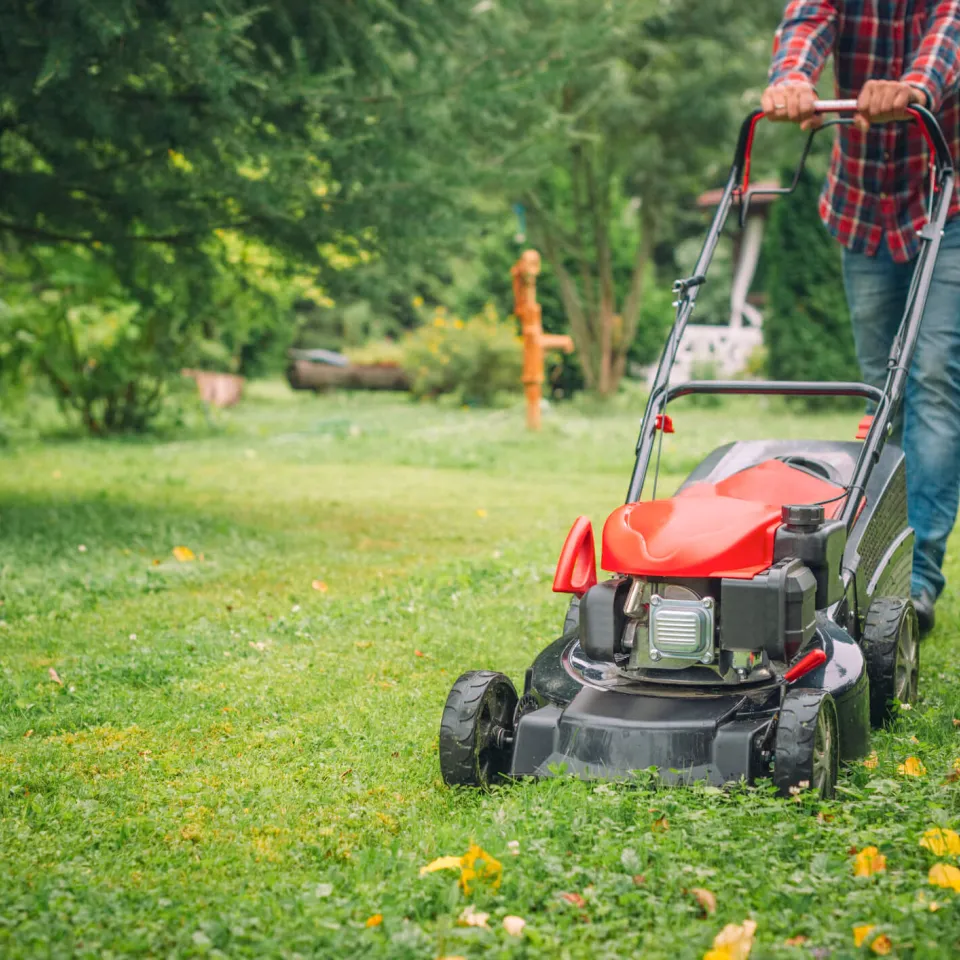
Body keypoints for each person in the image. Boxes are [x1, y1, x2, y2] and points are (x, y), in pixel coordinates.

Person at [763, 2, 960, 635]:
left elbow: (949, 29)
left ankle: (921, 576)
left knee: (932, 376)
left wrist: (914, 88)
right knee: (884, 391)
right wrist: (793, 77)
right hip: (862, 207)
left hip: (947, 196)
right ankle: (880, 570)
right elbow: (808, 18)